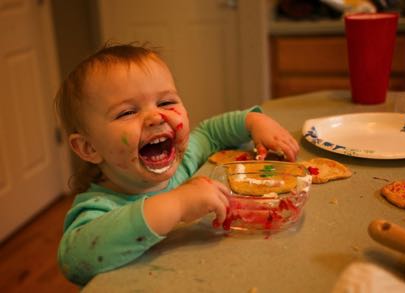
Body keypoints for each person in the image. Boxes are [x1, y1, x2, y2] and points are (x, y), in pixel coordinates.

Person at [55, 42, 299, 285]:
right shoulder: (98, 209)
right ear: (89, 148)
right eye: (127, 112)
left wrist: (253, 122)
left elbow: (210, 133)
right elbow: (75, 260)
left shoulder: (184, 160)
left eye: (165, 103)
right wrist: (177, 204)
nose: (155, 117)